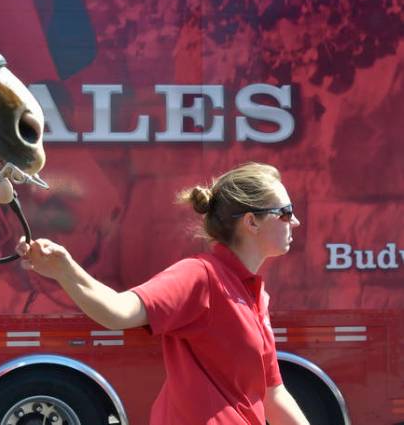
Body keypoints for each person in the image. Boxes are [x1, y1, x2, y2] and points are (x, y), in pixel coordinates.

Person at [16, 162, 310, 424]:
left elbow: (273, 393)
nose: (294, 221)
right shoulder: (200, 276)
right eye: (285, 213)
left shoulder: (255, 294)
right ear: (251, 222)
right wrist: (64, 269)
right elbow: (117, 312)